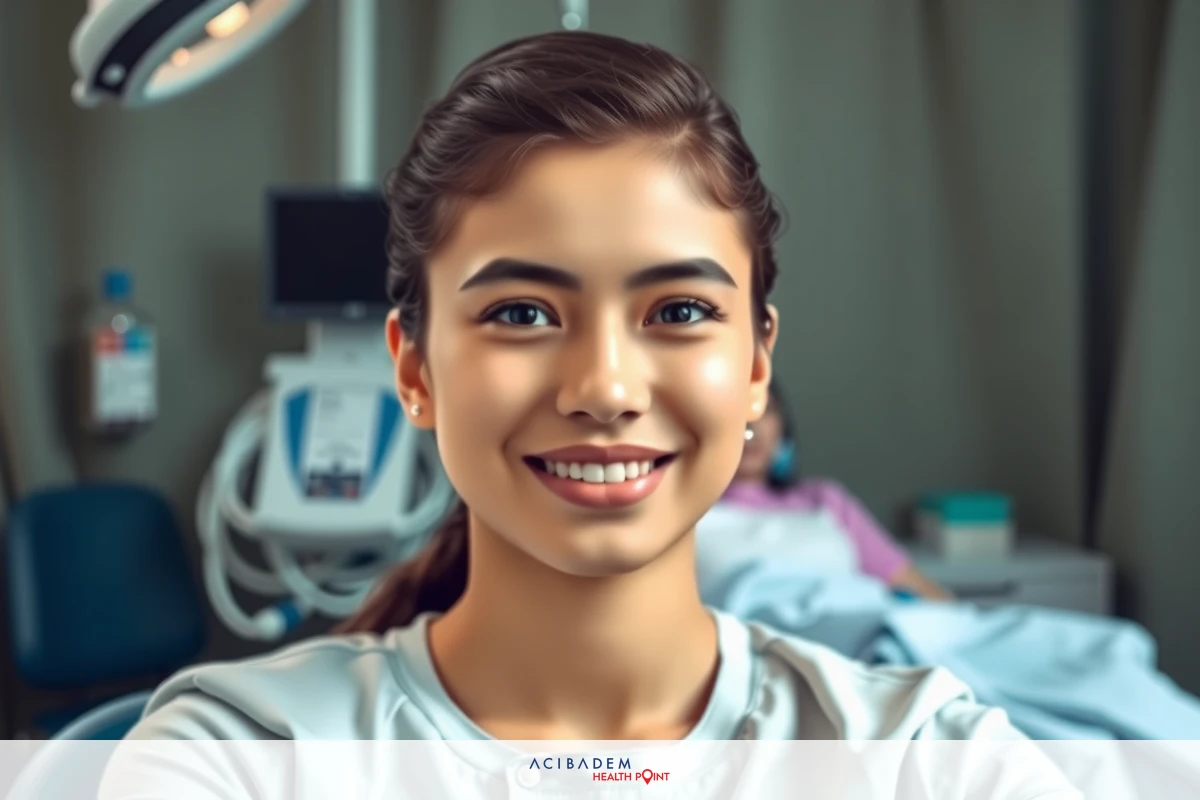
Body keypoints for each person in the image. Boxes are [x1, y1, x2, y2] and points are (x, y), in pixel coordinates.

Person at [98, 29, 1078, 800]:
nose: (606, 386)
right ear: (416, 367)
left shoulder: (921, 754)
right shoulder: (238, 752)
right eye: (522, 313)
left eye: (679, 311)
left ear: (754, 365)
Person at [716, 380, 953, 600]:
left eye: (766, 410)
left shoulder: (824, 500)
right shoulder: (690, 512)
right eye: (738, 409)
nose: (752, 425)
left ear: (782, 428)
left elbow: (914, 584)